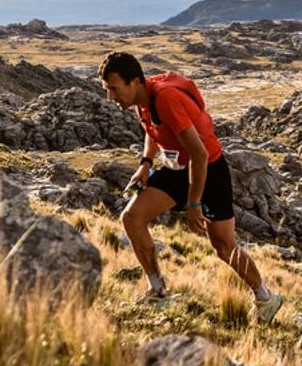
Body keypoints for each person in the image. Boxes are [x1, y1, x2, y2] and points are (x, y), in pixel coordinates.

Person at [98, 52, 283, 324]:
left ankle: (265, 298)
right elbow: (153, 131)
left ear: (135, 81)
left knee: (223, 246)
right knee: (132, 218)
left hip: (209, 170)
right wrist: (145, 164)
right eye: (107, 90)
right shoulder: (141, 102)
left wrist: (194, 204)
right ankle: (157, 290)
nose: (110, 97)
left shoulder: (166, 99)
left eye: (114, 89)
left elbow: (200, 155)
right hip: (176, 169)